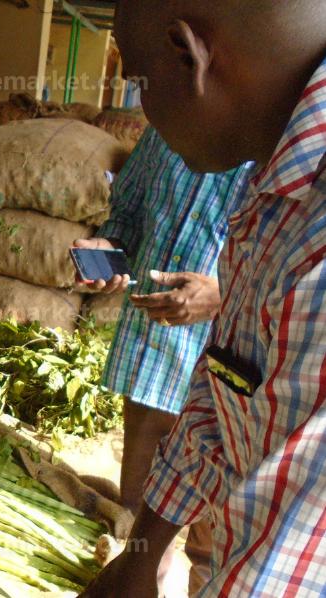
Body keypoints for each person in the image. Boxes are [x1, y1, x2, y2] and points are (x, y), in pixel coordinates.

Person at [81, 1, 326, 596]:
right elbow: (226, 387)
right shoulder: (275, 184)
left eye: (138, 80)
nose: (140, 104)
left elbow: (292, 546)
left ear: (187, 55)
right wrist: (141, 559)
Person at [75, 126, 253, 594]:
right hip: (154, 349)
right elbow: (128, 217)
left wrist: (221, 295)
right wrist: (106, 252)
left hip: (228, 360)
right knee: (141, 518)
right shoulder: (170, 125)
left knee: (214, 537)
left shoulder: (278, 136)